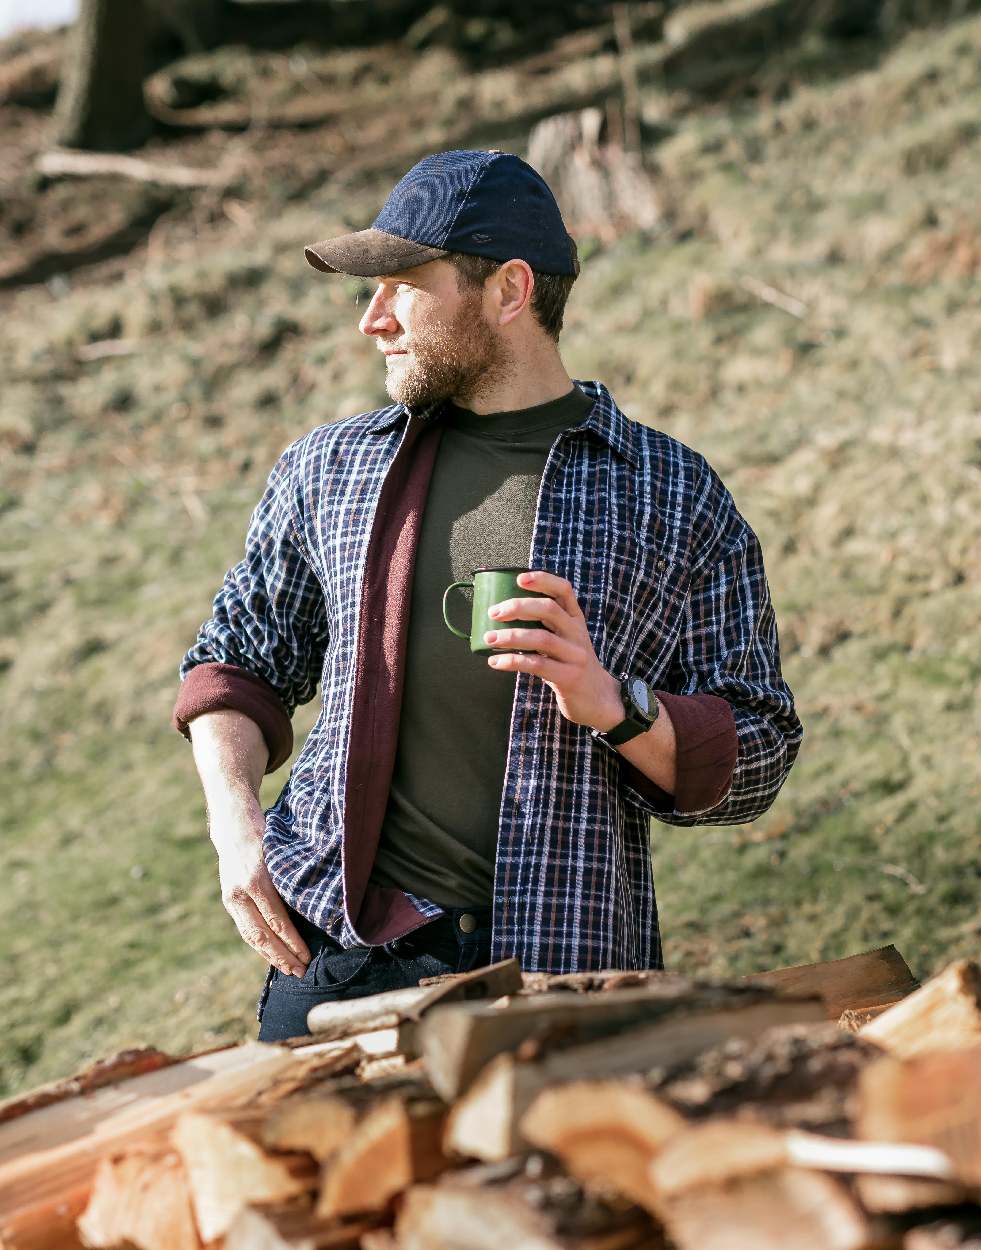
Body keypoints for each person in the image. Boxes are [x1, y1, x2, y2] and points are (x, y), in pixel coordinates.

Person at [173, 149, 802, 1041]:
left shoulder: (671, 493)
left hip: (568, 968)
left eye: (402, 287)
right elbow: (235, 661)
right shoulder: (330, 468)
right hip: (341, 960)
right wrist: (237, 835)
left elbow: (760, 749)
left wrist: (614, 705)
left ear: (510, 290)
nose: (371, 320)